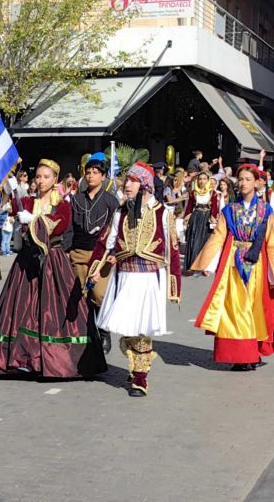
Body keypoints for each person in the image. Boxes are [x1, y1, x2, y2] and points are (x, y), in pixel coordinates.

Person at [0, 159, 107, 379]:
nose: (40, 181)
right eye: (38, 176)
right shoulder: (27, 201)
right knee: (22, 309)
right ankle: (24, 358)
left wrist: (35, 220)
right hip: (27, 262)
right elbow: (14, 212)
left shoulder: (62, 204)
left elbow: (60, 223)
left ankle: (56, 359)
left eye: (45, 177)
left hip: (52, 262)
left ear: (55, 179)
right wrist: (10, 195)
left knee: (52, 310)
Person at [90, 162, 181, 396]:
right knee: (127, 327)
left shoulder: (163, 213)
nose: (126, 185)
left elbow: (172, 250)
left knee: (142, 329)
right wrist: (96, 269)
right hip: (125, 275)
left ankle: (140, 378)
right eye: (126, 180)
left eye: (132, 181)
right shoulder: (121, 212)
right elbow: (106, 243)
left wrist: (174, 287)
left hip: (149, 278)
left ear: (145, 185)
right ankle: (135, 362)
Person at [190, 164, 274, 370]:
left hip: (257, 265)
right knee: (234, 309)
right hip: (233, 264)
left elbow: (272, 240)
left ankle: (252, 353)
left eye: (248, 179)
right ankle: (239, 355)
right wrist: (208, 263)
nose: (243, 183)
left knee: (254, 308)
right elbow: (218, 236)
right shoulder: (229, 210)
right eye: (241, 179)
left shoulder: (266, 210)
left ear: (257, 183)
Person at [67, 152, 119, 354]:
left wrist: (115, 251)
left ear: (103, 176)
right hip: (78, 252)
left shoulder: (110, 201)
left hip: (101, 255)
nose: (91, 176)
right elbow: (70, 227)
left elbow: (117, 228)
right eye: (88, 172)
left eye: (95, 172)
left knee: (99, 294)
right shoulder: (76, 199)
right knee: (82, 294)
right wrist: (66, 250)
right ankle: (88, 334)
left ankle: (103, 330)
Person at [183, 170, 219, 271]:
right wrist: (187, 218)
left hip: (206, 217)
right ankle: (193, 263)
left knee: (205, 240)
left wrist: (213, 218)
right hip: (196, 216)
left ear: (208, 180)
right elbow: (189, 207)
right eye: (200, 179)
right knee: (194, 239)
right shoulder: (193, 193)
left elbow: (214, 208)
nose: (202, 181)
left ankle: (204, 265)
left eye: (204, 179)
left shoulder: (212, 193)